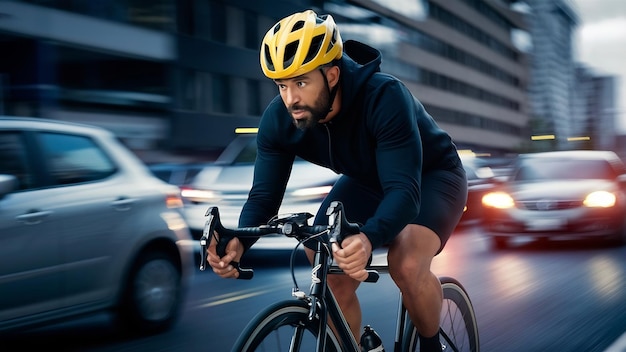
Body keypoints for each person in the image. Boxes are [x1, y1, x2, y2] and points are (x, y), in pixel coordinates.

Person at [207, 9, 467, 352]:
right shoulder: (279, 120)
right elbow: (264, 197)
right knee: (323, 258)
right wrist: (240, 240)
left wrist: (369, 238)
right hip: (365, 180)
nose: (290, 99)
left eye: (301, 82)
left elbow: (404, 192)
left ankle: (432, 347)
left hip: (432, 176)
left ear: (331, 75)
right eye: (282, 85)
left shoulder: (385, 97)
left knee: (405, 262)